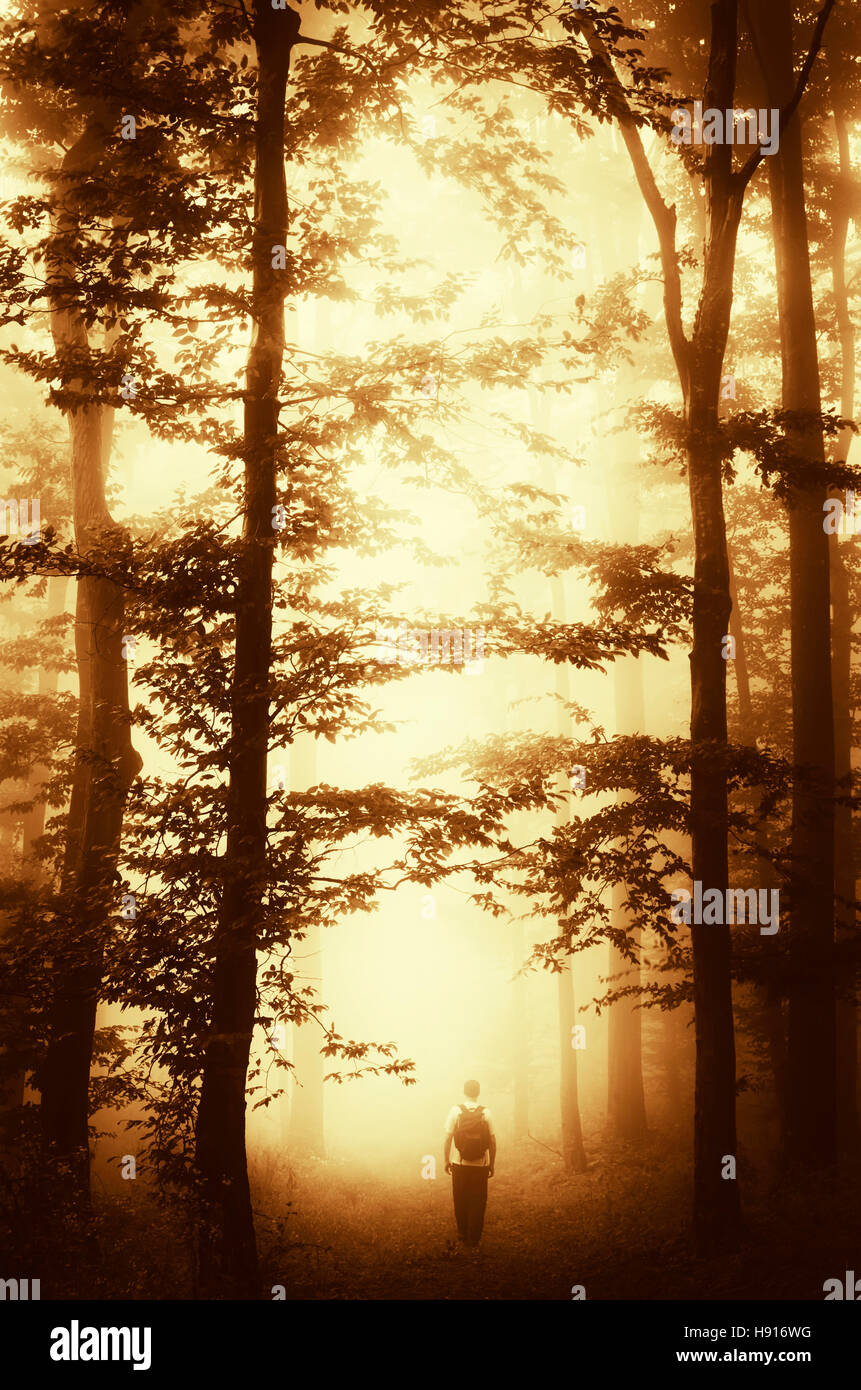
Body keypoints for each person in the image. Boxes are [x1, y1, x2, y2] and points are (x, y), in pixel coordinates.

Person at [443, 1079, 496, 1248]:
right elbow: (493, 1141)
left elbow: (448, 1138)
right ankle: (474, 1239)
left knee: (460, 1198)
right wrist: (491, 1164)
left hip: (459, 1163)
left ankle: (462, 1234)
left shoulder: (456, 1111)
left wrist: (446, 1160)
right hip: (480, 1165)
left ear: (464, 1092)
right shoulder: (486, 1113)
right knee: (478, 1200)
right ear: (478, 1093)